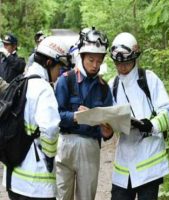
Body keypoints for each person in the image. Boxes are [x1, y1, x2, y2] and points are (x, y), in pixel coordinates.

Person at [109, 32, 169, 200]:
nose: (122, 68)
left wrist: (150, 124)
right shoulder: (112, 85)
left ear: (135, 58)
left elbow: (168, 113)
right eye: (118, 63)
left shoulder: (149, 79)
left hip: (149, 162)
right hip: (124, 161)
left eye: (126, 63)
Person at [3, 36, 70, 200]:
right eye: (58, 69)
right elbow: (51, 128)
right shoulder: (43, 88)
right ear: (48, 63)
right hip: (36, 183)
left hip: (14, 179)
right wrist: (49, 155)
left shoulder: (21, 81)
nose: (58, 74)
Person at [55, 27, 113, 200]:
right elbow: (55, 117)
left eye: (99, 60)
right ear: (81, 56)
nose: (95, 65)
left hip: (90, 146)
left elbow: (108, 125)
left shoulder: (104, 89)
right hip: (66, 143)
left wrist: (108, 132)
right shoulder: (66, 80)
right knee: (62, 195)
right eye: (91, 60)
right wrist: (74, 116)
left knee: (86, 196)